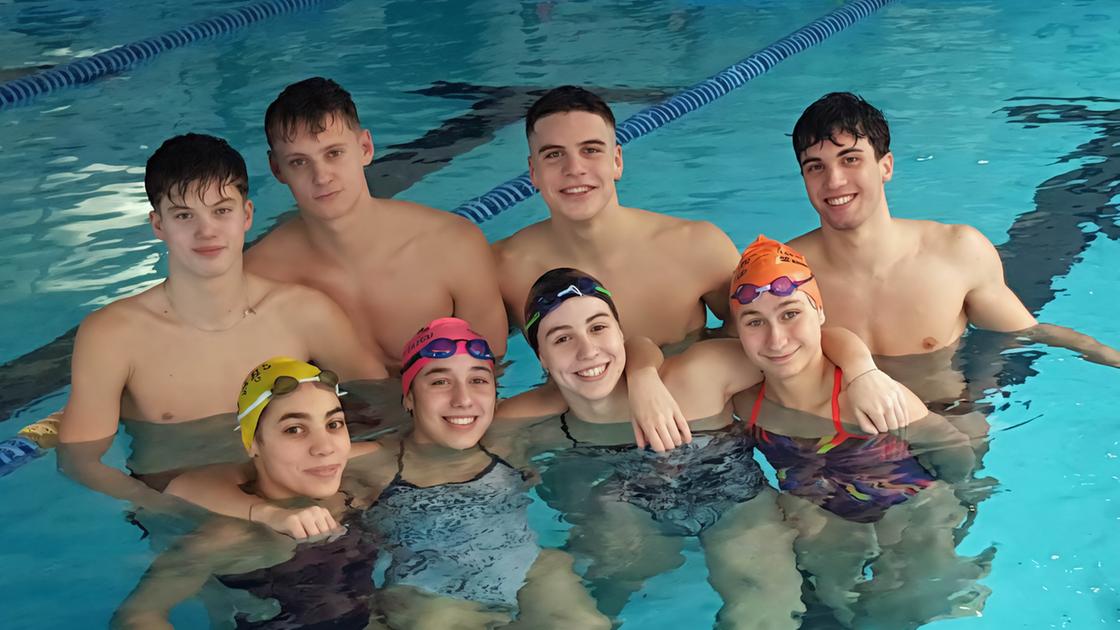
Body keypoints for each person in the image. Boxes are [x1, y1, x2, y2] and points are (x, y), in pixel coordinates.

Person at [495, 267, 913, 628]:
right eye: (561, 339)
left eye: (599, 327)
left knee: (763, 605)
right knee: (603, 580)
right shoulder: (532, 417)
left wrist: (862, 369)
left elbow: (799, 343)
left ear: (621, 334)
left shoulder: (699, 375)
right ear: (542, 360)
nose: (588, 350)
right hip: (633, 509)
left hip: (735, 503)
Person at [170, 321, 609, 629]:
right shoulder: (370, 459)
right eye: (439, 382)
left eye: (478, 381)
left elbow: (596, 378)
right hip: (429, 601)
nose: (463, 400)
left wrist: (645, 375)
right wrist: (264, 512)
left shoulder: (506, 436)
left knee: (587, 622)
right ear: (409, 398)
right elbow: (189, 483)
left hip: (530, 576)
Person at [57, 134, 386, 507]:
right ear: (158, 224)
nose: (206, 231)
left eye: (221, 210)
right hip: (193, 521)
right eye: (184, 215)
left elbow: (383, 405)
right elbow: (80, 460)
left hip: (309, 498)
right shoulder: (114, 336)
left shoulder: (304, 312)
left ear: (246, 215)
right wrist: (170, 510)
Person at [725, 236, 991, 627]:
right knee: (832, 611)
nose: (776, 339)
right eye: (754, 322)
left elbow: (952, 451)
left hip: (911, 509)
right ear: (737, 330)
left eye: (789, 314)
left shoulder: (867, 396)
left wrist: (962, 503)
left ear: (819, 314)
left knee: (905, 607)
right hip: (824, 522)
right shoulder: (746, 404)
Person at [788, 91, 1120, 366]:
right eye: (816, 167)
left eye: (850, 160)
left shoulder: (956, 253)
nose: (834, 181)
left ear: (885, 166)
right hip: (838, 434)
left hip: (949, 417)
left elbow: (1028, 333)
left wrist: (1106, 356)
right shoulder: (783, 274)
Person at [244, 77, 508, 366]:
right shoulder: (258, 276)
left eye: (334, 153)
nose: (321, 177)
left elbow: (490, 371)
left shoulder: (453, 245)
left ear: (365, 148)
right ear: (277, 169)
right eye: (299, 162)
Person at [493, 86, 741, 349]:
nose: (574, 169)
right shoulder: (504, 270)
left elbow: (763, 345)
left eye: (590, 150)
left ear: (617, 161)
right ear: (533, 172)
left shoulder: (697, 247)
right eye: (554, 155)